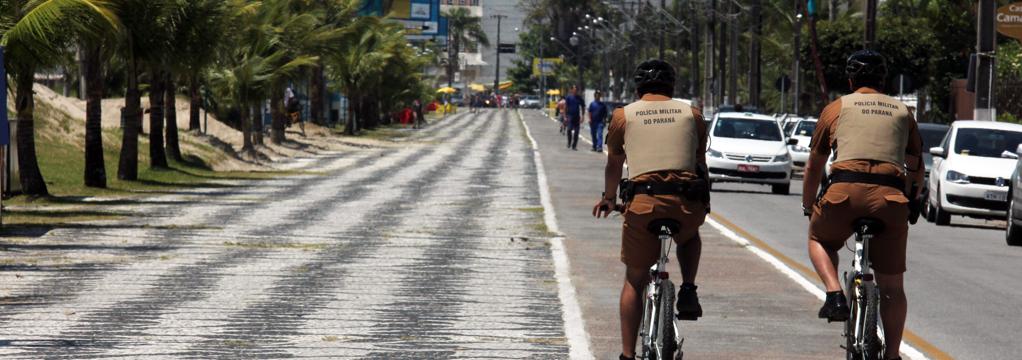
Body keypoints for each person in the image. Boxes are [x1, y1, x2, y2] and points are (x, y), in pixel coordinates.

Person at [802, 50, 923, 360]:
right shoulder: (903, 111)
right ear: (883, 81)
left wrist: (808, 205)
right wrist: (912, 201)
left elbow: (814, 165)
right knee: (892, 289)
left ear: (850, 80)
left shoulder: (836, 108)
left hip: (844, 194)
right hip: (890, 199)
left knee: (818, 238)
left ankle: (834, 295)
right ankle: (892, 355)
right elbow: (915, 166)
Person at [592, 59, 709, 360]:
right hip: (686, 202)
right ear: (672, 87)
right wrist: (703, 204)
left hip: (643, 203)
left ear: (638, 87)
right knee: (690, 236)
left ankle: (627, 355)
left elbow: (614, 163)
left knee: (635, 279)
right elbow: (700, 164)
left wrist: (608, 198)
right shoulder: (692, 114)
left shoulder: (623, 115)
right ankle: (689, 288)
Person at [564, 85, 585, 150]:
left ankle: (574, 146)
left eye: (576, 90)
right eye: (574, 89)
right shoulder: (569, 97)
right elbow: (565, 107)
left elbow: (583, 107)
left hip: (577, 117)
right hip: (570, 116)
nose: (575, 91)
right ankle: (569, 142)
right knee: (569, 130)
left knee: (576, 132)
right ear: (572, 90)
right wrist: (565, 116)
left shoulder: (579, 98)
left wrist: (583, 116)